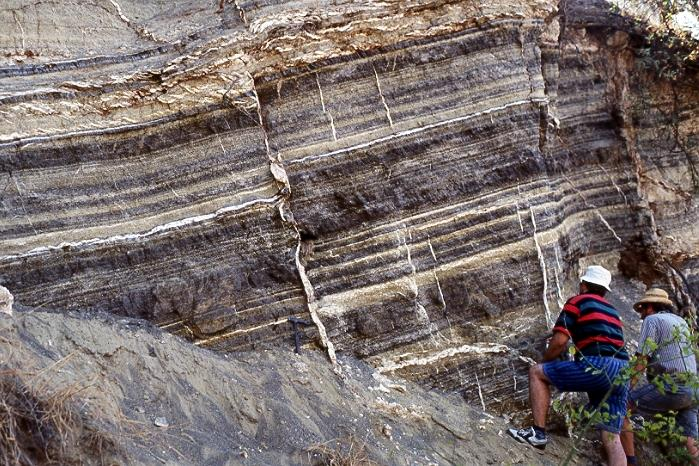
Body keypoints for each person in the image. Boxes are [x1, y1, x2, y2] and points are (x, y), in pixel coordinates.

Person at [508, 265, 629, 466]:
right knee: (611, 436)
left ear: (583, 285)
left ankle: (538, 433)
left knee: (537, 373)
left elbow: (560, 341)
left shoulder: (578, 301)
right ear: (604, 290)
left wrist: (545, 361)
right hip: (623, 370)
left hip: (599, 365)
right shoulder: (613, 311)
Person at [620, 288, 699, 465]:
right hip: (694, 387)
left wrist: (625, 388)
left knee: (621, 406)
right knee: (691, 440)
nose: (640, 314)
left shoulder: (652, 320)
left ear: (650, 307)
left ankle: (630, 461)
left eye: (642, 309)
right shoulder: (680, 322)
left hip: (674, 384)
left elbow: (642, 359)